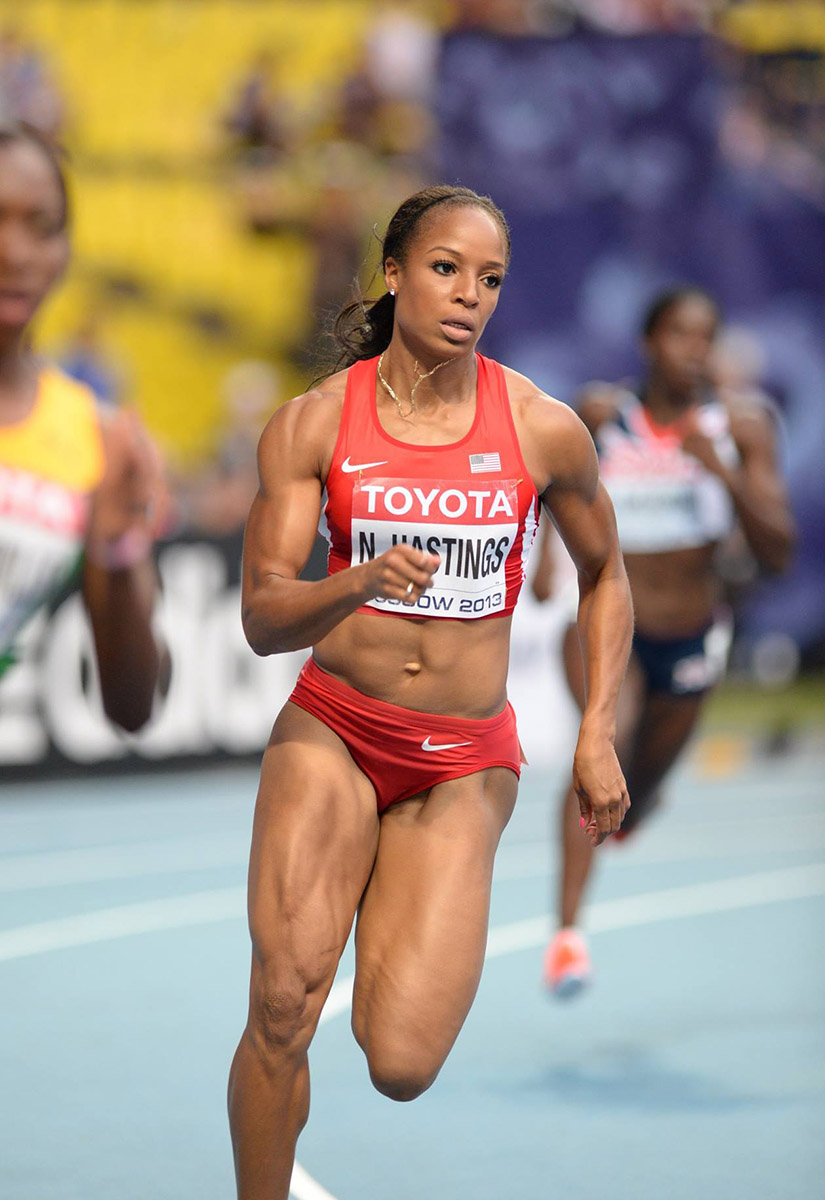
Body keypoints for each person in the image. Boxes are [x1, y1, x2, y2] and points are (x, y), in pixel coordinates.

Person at [228, 183, 633, 1198]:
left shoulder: (542, 429)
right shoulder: (314, 423)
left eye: (489, 279)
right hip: (335, 730)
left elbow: (606, 574)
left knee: (401, 1063)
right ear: (396, 273)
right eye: (447, 269)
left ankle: (381, 889)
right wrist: (355, 579)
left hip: (460, 761)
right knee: (282, 1003)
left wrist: (596, 731)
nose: (468, 296)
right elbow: (264, 616)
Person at [540, 286, 796, 998]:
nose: (693, 350)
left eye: (704, 337)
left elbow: (778, 549)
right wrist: (536, 559)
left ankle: (636, 808)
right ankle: (566, 937)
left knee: (640, 788)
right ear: (649, 342)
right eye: (679, 334)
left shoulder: (740, 428)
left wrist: (723, 473)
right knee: (602, 743)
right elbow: (541, 478)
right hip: (600, 620)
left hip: (689, 636)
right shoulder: (599, 413)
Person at [0, 121, 164, 731]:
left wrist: (116, 546)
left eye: (40, 227)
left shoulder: (93, 436)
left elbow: (133, 705)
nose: (14, 251)